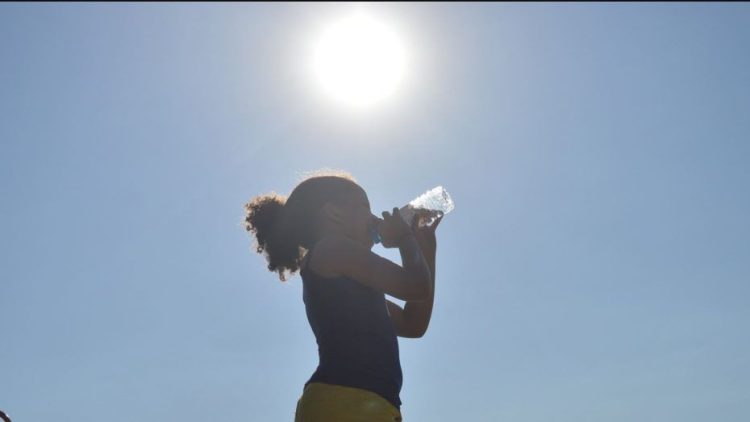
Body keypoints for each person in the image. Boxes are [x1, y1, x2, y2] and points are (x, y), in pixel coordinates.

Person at [243, 171, 443, 421]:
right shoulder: (331, 248)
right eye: (365, 207)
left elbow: (414, 323)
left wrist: (426, 251)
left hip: (367, 403)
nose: (374, 218)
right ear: (334, 213)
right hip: (345, 400)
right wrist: (404, 238)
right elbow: (416, 285)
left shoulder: (352, 273)